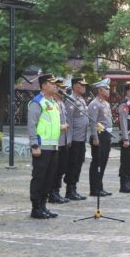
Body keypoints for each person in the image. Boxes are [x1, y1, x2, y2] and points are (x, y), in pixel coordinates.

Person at [28, 73, 61, 219]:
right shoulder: (37, 102)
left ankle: (44, 205)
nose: (55, 85)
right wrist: (34, 144)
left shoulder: (53, 102)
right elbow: (32, 124)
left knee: (49, 178)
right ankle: (36, 208)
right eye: (52, 83)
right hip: (41, 147)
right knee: (39, 178)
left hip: (53, 146)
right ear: (43, 85)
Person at [64, 77, 88, 201]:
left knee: (79, 163)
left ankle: (74, 188)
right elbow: (69, 121)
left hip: (81, 138)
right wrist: (69, 138)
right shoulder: (70, 100)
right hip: (74, 139)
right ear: (74, 86)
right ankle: (69, 189)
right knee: (72, 164)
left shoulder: (81, 100)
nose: (84, 87)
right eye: (81, 85)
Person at [88, 78, 113, 197]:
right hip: (99, 135)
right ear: (100, 90)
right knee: (97, 162)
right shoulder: (94, 104)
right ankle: (94, 188)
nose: (109, 90)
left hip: (106, 134)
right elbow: (93, 122)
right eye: (106, 88)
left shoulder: (106, 104)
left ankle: (100, 186)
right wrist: (95, 137)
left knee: (103, 162)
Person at [49, 78, 71, 204]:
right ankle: (53, 193)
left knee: (62, 168)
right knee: (55, 169)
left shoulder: (62, 103)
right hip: (56, 140)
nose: (64, 90)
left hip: (63, 140)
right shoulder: (53, 103)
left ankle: (57, 191)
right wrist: (61, 127)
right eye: (61, 88)